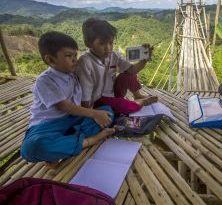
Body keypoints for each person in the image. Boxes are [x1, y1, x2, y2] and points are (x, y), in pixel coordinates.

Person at [20, 31, 115, 167]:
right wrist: (94, 113)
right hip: (47, 126)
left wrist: (98, 113)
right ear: (50, 59)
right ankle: (90, 140)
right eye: (69, 56)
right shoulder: (45, 80)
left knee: (107, 112)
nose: (75, 60)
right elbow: (64, 106)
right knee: (31, 147)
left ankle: (63, 146)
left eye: (75, 55)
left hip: (73, 120)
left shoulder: (72, 73)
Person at [76, 18, 157, 114]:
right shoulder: (85, 62)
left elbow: (132, 70)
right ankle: (140, 102)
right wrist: (90, 113)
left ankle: (137, 95)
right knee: (122, 104)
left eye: (110, 42)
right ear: (88, 43)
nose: (108, 48)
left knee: (128, 75)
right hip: (98, 101)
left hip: (113, 93)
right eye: (102, 43)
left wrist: (144, 60)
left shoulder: (114, 55)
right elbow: (85, 95)